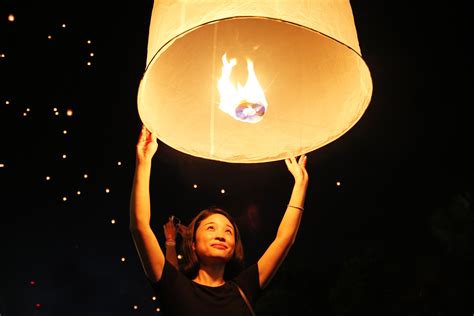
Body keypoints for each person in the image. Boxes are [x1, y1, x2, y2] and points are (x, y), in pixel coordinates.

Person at [130, 125, 309, 315]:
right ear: (193, 244)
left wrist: (300, 184)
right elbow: (139, 226)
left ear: (234, 247)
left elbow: (284, 239)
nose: (221, 236)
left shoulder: (244, 289)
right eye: (210, 228)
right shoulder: (174, 287)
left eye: (228, 231)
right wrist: (144, 162)